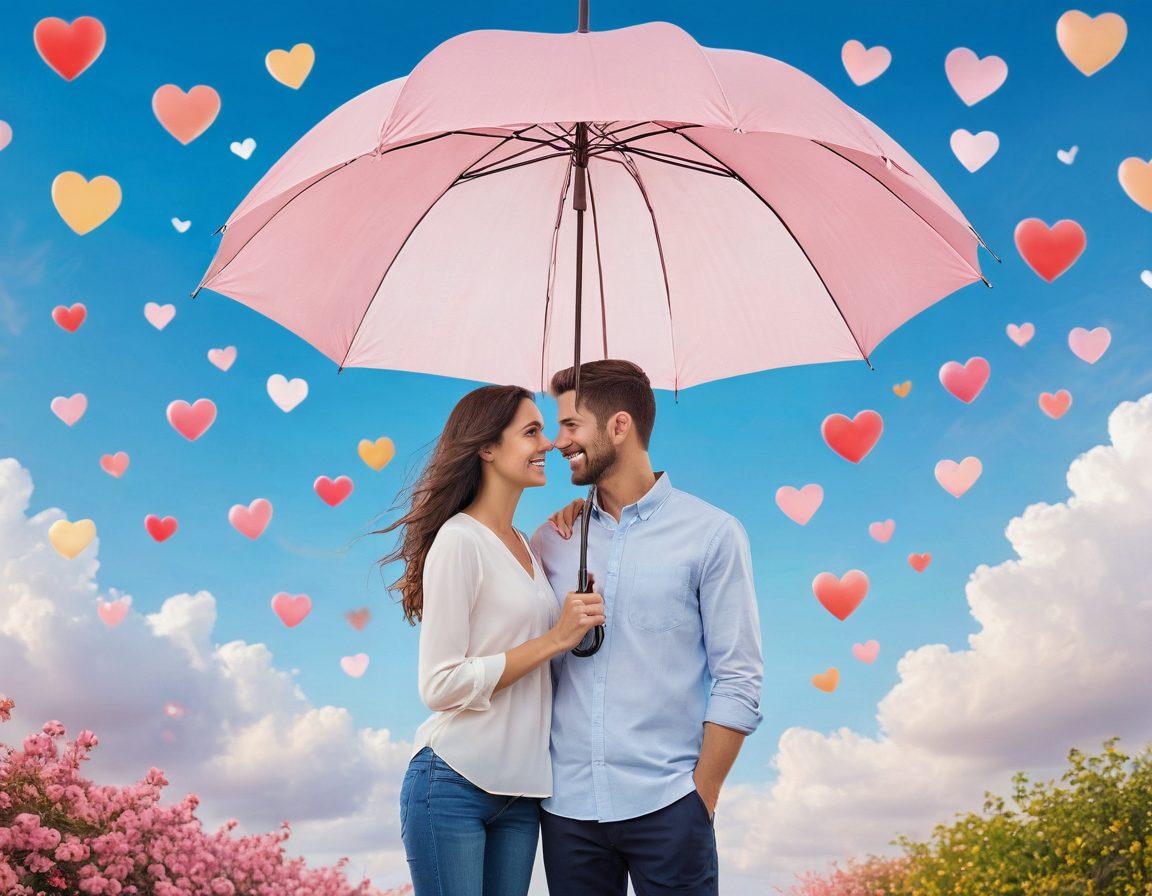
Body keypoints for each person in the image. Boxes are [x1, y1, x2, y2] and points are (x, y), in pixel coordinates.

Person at [529, 359, 765, 896]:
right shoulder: (553, 540)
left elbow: (739, 677)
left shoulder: (713, 534)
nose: (558, 442)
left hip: (670, 805)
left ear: (619, 426)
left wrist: (701, 797)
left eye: (571, 425)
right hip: (567, 811)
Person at [375, 384, 606, 896]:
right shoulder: (459, 540)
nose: (548, 443)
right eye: (531, 432)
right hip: (453, 782)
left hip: (522, 796)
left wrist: (579, 517)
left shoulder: (528, 544)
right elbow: (439, 684)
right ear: (486, 448)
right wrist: (555, 639)